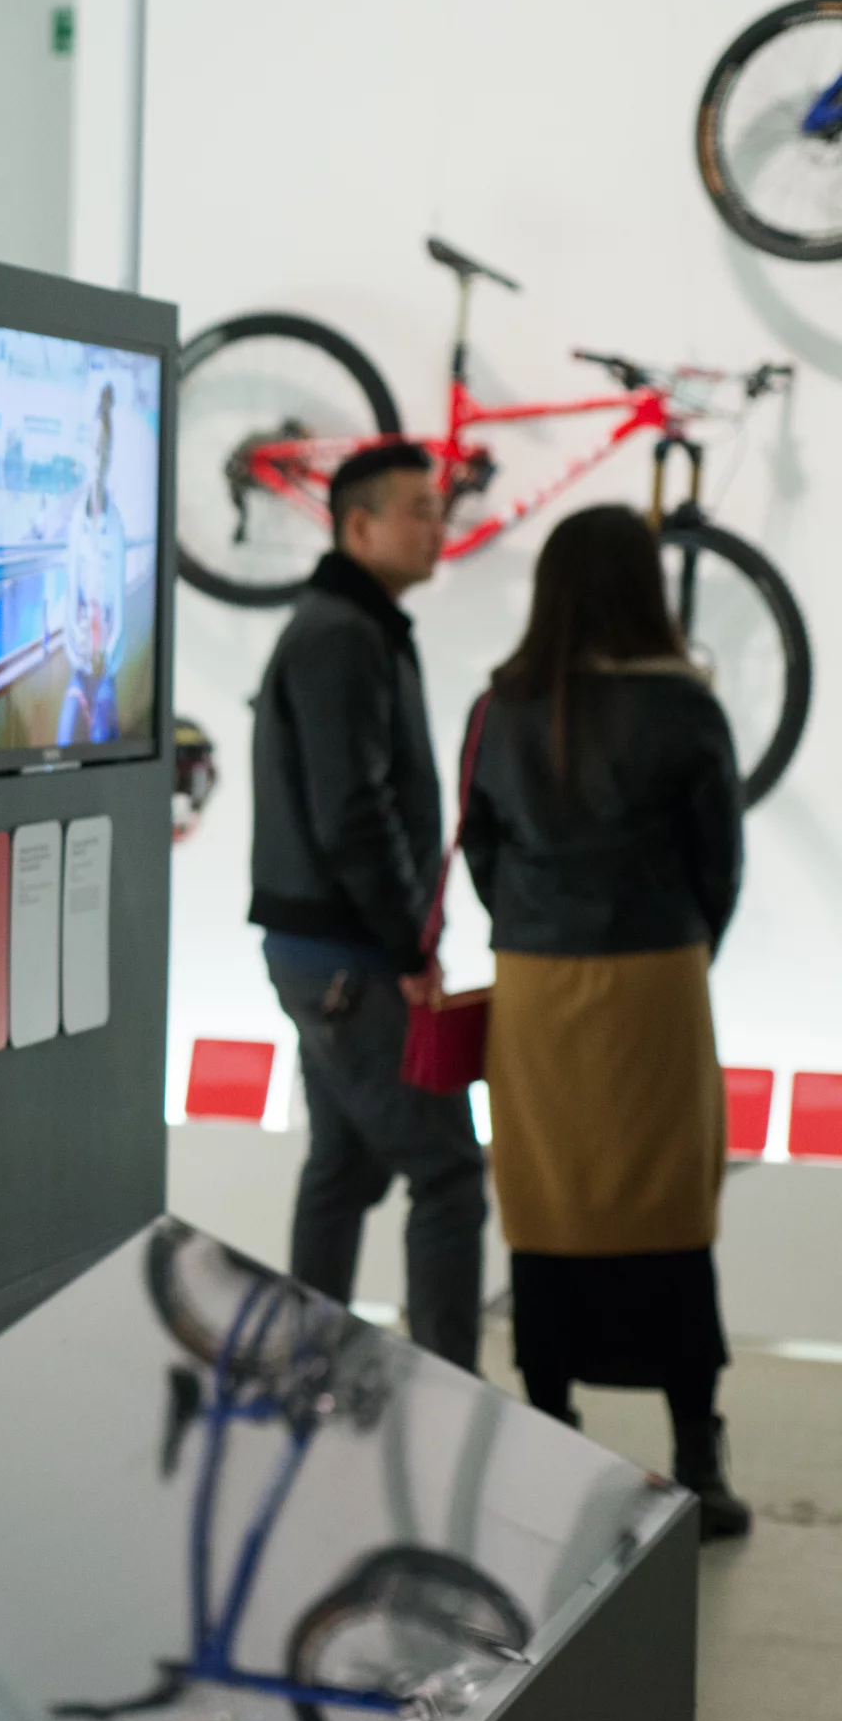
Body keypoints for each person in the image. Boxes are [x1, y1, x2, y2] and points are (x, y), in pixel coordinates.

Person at [460, 504, 749, 1538]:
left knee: (548, 1210)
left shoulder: (503, 702)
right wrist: (681, 940)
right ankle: (696, 1453)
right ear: (646, 586)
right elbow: (721, 863)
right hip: (655, 981)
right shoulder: (686, 706)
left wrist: (533, 929)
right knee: (672, 1213)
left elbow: (483, 851)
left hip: (535, 984)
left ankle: (547, 1430)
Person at [249, 440, 484, 1369]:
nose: (440, 527)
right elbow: (355, 810)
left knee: (344, 1167)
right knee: (450, 1172)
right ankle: (452, 1390)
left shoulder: (353, 625)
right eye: (421, 511)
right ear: (359, 525)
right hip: (347, 954)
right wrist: (408, 944)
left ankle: (310, 1365)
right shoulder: (343, 635)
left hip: (327, 950)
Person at [59, 382, 128, 747]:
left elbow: (116, 587)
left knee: (103, 736)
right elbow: (73, 583)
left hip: (103, 669)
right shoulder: (79, 523)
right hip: (83, 665)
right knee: (64, 740)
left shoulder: (113, 526)